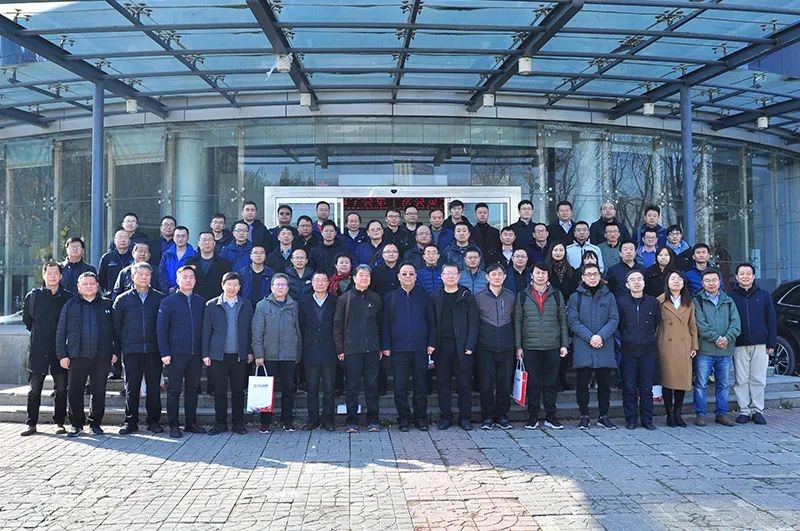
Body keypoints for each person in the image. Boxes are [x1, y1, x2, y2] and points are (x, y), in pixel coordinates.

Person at [56, 271, 117, 437]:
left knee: (99, 392)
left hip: (101, 356)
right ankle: (76, 424)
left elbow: (116, 331)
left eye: (92, 283)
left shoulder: (107, 305)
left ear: (97, 286)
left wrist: (115, 352)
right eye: (85, 284)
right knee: (74, 391)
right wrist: (62, 355)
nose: (89, 286)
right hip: (76, 356)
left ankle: (95, 423)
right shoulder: (70, 305)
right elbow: (60, 331)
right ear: (78, 286)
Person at [381, 263, 437, 431]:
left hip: (420, 348)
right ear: (398, 276)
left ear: (416, 277)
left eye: (411, 274)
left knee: (421, 386)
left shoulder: (424, 296)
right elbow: (385, 323)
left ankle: (421, 418)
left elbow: (432, 322)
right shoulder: (390, 297)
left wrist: (431, 342)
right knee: (400, 387)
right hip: (398, 349)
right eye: (404, 274)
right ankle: (404, 418)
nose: (407, 277)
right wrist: (386, 345)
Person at [20, 261, 72, 436]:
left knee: (61, 389)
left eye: (56, 273)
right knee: (34, 389)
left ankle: (59, 422)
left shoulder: (68, 298)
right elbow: (28, 321)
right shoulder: (33, 296)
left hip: (60, 349)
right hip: (38, 348)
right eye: (49, 273)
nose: (52, 276)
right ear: (43, 275)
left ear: (61, 276)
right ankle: (31, 423)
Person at [514, 263, 569, 430]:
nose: (540, 276)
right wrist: (518, 346)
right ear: (532, 275)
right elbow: (517, 322)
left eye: (544, 273)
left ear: (548, 276)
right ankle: (533, 416)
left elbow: (563, 321)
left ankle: (551, 416)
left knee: (551, 383)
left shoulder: (556, 295)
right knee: (533, 383)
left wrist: (564, 344)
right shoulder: (522, 295)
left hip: (552, 345)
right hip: (530, 346)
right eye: (537, 273)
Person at [112, 263, 165, 435]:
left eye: (147, 274)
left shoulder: (159, 298)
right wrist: (122, 345)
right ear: (133, 277)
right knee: (132, 388)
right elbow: (116, 326)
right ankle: (130, 422)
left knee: (153, 388)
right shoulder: (122, 299)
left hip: (153, 350)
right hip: (131, 350)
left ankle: (154, 421)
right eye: (140, 274)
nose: (144, 277)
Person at [156, 265, 207, 438]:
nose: (188, 280)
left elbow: (205, 329)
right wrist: (164, 352)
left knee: (192, 390)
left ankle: (191, 423)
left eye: (191, 277)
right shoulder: (168, 301)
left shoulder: (201, 302)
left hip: (196, 354)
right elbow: (161, 329)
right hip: (175, 354)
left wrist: (204, 352)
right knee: (174, 390)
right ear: (178, 280)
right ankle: (174, 425)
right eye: (184, 277)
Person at [567, 263, 619, 430]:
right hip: (584, 344)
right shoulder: (575, 297)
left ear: (600, 276)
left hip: (604, 343)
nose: (592, 277)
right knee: (582, 384)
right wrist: (590, 337)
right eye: (588, 274)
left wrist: (600, 336)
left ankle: (604, 416)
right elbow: (573, 321)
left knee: (604, 384)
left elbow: (614, 319)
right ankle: (584, 416)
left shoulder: (609, 296)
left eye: (595, 274)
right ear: (583, 277)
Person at [202, 272, 254, 436]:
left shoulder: (246, 305)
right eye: (229, 284)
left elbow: (250, 330)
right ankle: (220, 423)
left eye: (235, 285)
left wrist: (250, 351)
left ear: (239, 287)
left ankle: (238, 423)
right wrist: (205, 354)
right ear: (222, 285)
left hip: (239, 355)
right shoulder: (212, 305)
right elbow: (206, 331)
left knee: (238, 391)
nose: (232, 288)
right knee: (219, 391)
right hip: (218, 355)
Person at [250, 272, 303, 433]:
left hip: (289, 355)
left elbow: (297, 330)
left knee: (288, 390)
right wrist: (258, 354)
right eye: (277, 284)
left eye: (283, 285)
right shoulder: (262, 306)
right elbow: (257, 332)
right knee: (267, 390)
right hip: (268, 355)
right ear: (271, 287)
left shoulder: (294, 305)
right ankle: (265, 422)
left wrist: (298, 352)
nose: (280, 288)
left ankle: (287, 420)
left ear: (288, 288)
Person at [333, 264, 383, 432]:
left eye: (367, 275)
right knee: (352, 386)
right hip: (351, 350)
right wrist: (340, 349)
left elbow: (381, 324)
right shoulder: (344, 299)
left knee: (372, 386)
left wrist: (381, 347)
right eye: (361, 275)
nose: (364, 278)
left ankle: (373, 420)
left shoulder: (375, 298)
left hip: (372, 349)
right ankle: (351, 421)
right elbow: (337, 326)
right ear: (354, 278)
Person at [432, 263, 479, 431]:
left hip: (463, 346)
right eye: (447, 273)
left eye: (454, 273)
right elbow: (431, 322)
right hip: (442, 346)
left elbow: (474, 322)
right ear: (442, 276)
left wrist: (470, 344)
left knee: (464, 384)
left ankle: (465, 418)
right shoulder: (435, 296)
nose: (450, 276)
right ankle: (445, 417)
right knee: (443, 383)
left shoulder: (467, 296)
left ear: (459, 276)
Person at [729, 263, 777, 426]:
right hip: (739, 343)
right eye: (742, 274)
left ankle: (757, 410)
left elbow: (771, 319)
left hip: (761, 343)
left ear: (754, 276)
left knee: (758, 379)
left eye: (748, 273)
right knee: (741, 379)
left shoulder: (764, 295)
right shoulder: (730, 296)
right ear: (737, 277)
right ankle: (744, 410)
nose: (745, 276)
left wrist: (771, 342)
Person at [692, 269, 741, 427]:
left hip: (724, 350)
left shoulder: (728, 300)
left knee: (723, 384)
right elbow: (700, 324)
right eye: (707, 281)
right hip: (705, 350)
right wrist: (717, 338)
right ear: (702, 283)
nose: (711, 283)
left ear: (719, 281)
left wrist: (727, 338)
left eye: (714, 280)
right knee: (701, 384)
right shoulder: (697, 300)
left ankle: (722, 414)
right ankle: (700, 414)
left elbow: (736, 324)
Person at [616, 270, 660, 430]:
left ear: (644, 282)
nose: (636, 282)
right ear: (627, 285)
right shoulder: (620, 302)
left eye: (639, 279)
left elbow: (656, 323)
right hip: (628, 351)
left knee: (646, 388)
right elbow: (618, 325)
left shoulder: (653, 302)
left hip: (648, 351)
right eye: (632, 280)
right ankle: (631, 420)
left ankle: (647, 420)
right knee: (629, 387)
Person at [474, 263, 516, 430]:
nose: (497, 277)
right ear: (487, 277)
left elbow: (516, 321)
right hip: (485, 347)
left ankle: (502, 416)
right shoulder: (478, 297)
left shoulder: (511, 297)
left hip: (506, 347)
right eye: (493, 274)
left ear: (504, 277)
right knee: (486, 384)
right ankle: (487, 417)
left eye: (500, 274)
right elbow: (475, 323)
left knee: (504, 384)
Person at [657, 271, 698, 428]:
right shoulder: (660, 301)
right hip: (666, 345)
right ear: (667, 282)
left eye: (679, 279)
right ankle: (669, 414)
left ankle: (677, 414)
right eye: (673, 279)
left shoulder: (689, 302)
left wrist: (694, 345)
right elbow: (655, 326)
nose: (676, 281)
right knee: (668, 381)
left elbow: (692, 326)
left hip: (684, 345)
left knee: (682, 381)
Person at [298, 271, 338, 431]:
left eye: (323, 280)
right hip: (310, 349)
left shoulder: (335, 301)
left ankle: (328, 419)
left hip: (330, 349)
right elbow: (301, 325)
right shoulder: (304, 301)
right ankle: (312, 419)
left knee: (329, 388)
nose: (320, 283)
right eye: (317, 280)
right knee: (312, 388)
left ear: (328, 283)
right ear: (312, 283)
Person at [185, 231, 233, 301]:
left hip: (217, 302)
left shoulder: (224, 264)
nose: (207, 243)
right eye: (204, 240)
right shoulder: (190, 262)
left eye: (210, 240)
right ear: (198, 243)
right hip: (195, 301)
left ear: (214, 243)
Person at [158, 226, 196, 292]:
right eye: (178, 236)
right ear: (173, 238)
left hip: (187, 291)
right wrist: (166, 289)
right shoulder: (167, 254)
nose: (180, 239)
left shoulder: (194, 255)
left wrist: (177, 288)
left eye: (183, 236)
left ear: (188, 238)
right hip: (167, 292)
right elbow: (161, 273)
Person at [98, 230, 133, 295]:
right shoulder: (107, 257)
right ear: (114, 241)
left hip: (130, 294)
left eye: (125, 237)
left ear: (129, 241)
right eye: (120, 237)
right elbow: (101, 279)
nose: (123, 240)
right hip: (112, 294)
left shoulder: (134, 256)